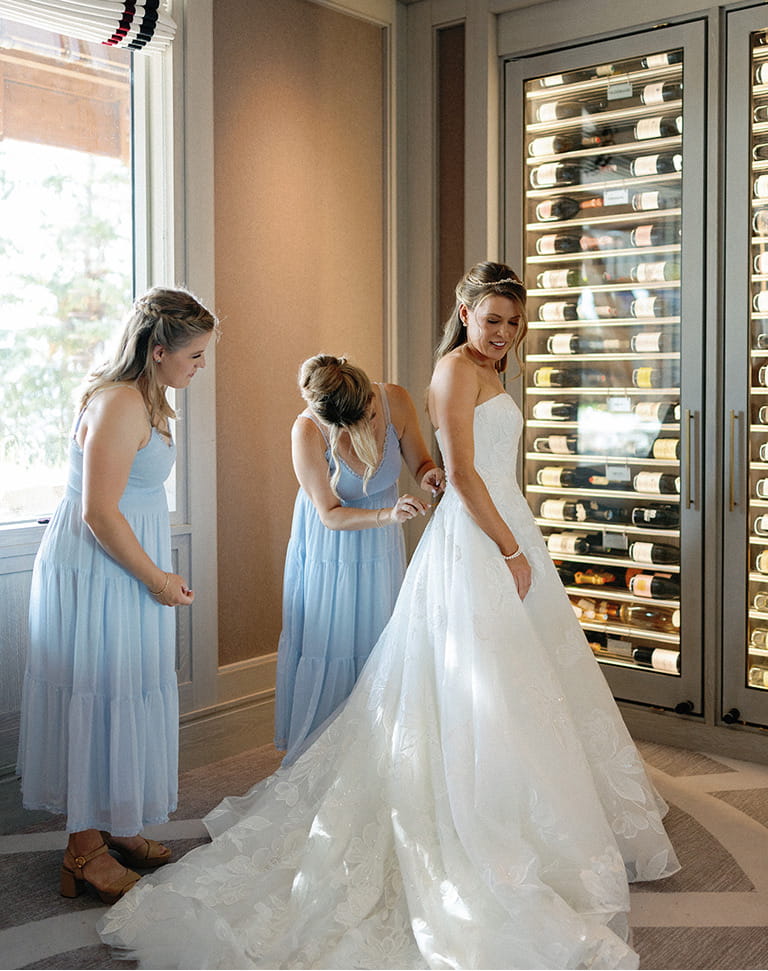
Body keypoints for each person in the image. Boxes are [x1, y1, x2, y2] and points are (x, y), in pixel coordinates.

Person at [99, 263, 679, 970]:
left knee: (530, 677)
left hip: (502, 524)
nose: (502, 333)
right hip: (482, 537)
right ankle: (479, 816)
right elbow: (461, 475)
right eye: (490, 318)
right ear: (464, 312)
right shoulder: (452, 375)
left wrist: (449, 492)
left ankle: (545, 811)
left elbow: (436, 465)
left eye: (512, 321)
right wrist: (508, 548)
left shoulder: (464, 380)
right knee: (476, 683)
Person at [17, 287, 218, 906]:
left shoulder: (145, 399)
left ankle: (114, 825)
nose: (200, 367)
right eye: (195, 356)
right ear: (159, 352)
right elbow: (101, 513)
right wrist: (156, 577)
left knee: (122, 687)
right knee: (98, 693)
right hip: (103, 569)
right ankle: (84, 849)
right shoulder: (120, 405)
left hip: (120, 567)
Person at [275, 354, 444, 762]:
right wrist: (388, 514)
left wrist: (428, 475)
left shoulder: (394, 400)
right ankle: (322, 759)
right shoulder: (307, 432)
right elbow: (330, 514)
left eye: (370, 410)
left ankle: (376, 757)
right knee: (332, 644)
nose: (371, 422)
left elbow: (419, 460)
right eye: (360, 421)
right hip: (331, 550)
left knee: (379, 639)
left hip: (380, 549)